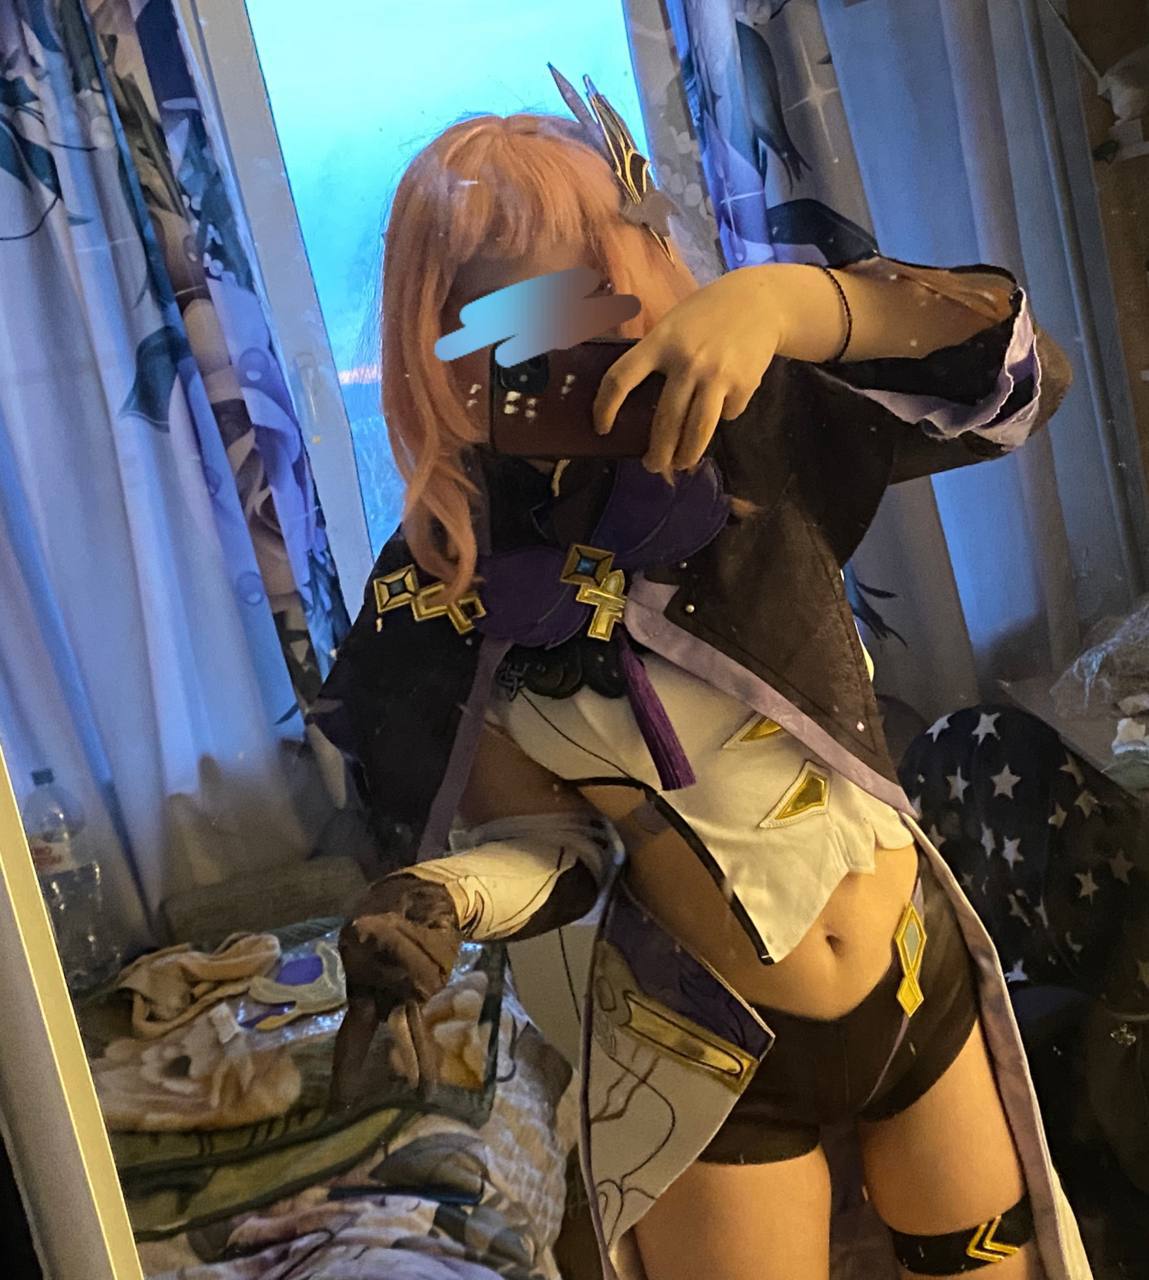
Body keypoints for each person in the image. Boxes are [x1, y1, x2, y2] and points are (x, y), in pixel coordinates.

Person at [317, 75, 1090, 1280]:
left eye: (594, 279)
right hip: (705, 1056)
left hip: (916, 979)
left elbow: (1022, 374)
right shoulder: (440, 589)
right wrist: (443, 898)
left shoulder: (759, 426)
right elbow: (554, 849)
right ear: (443, 344)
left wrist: (796, 302)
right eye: (504, 316)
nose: (570, 340)